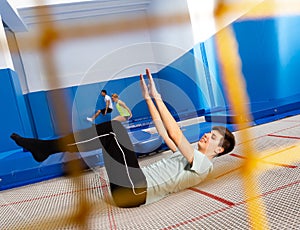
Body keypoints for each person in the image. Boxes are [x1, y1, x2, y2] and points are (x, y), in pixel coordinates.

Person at [10, 68, 235, 208]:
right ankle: (46, 148)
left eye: (213, 137)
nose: (207, 134)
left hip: (134, 192)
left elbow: (175, 133)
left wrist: (157, 95)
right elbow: (164, 132)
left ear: (218, 150)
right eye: (210, 132)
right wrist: (148, 98)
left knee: (114, 130)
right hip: (129, 184)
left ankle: (46, 148)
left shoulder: (204, 165)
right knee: (112, 130)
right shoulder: (188, 156)